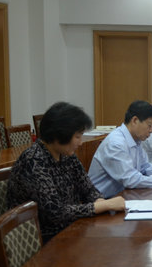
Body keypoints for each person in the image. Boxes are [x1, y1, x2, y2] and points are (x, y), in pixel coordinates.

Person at [7, 102, 125, 242]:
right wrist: (104, 205)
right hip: (41, 239)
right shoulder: (33, 161)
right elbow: (56, 213)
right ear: (59, 135)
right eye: (77, 137)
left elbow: (88, 189)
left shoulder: (67, 155)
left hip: (71, 228)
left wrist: (99, 200)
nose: (81, 143)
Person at [88, 100, 152, 198]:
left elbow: (145, 167)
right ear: (135, 120)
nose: (151, 131)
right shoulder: (116, 144)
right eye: (149, 126)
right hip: (103, 200)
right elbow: (130, 180)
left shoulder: (135, 140)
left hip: (123, 195)